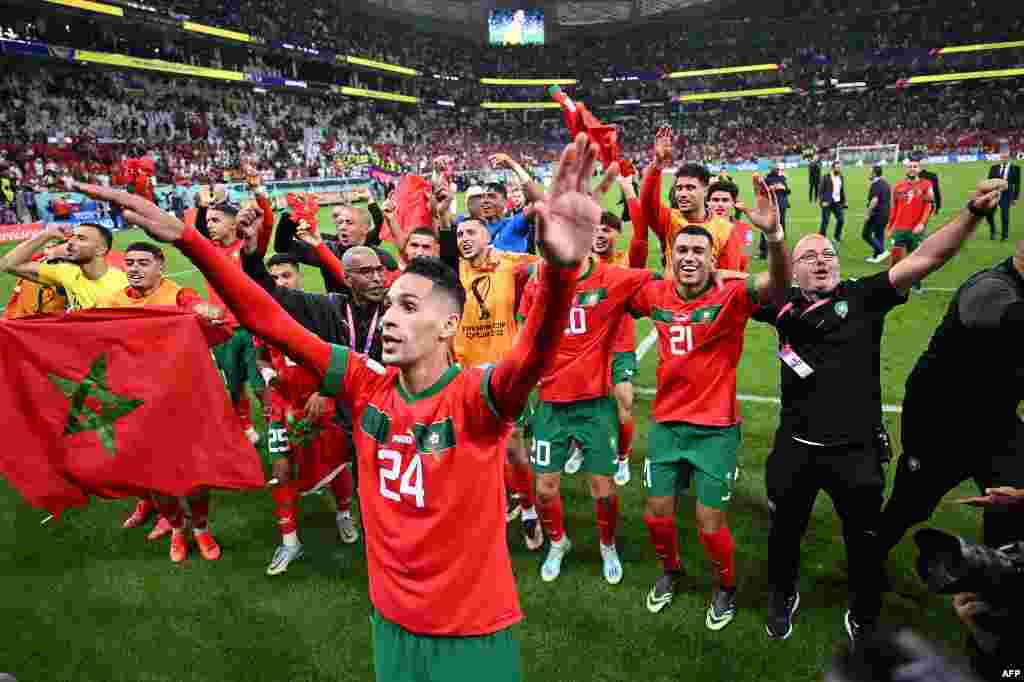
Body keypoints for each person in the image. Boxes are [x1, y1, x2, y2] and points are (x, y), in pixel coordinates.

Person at [73, 131, 614, 682]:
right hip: (391, 620)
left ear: (450, 325)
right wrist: (189, 241)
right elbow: (268, 320)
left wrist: (562, 270)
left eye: (409, 305)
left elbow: (533, 352)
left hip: (470, 629)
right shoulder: (363, 383)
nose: (394, 317)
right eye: (391, 304)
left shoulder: (475, 399)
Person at [752, 179, 1005, 649]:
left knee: (865, 541)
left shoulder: (865, 295)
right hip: (795, 451)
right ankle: (782, 593)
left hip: (857, 453)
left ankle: (864, 605)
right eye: (810, 256)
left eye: (828, 253)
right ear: (794, 268)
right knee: (784, 534)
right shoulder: (780, 307)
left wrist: (970, 212)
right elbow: (766, 281)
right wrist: (775, 238)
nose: (822, 260)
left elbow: (927, 258)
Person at [635, 173, 791, 632]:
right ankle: (671, 571)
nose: (688, 258)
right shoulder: (654, 295)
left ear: (712, 257)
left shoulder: (731, 295)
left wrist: (775, 236)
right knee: (657, 513)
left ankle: (725, 584)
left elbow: (778, 285)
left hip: (715, 428)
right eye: (681, 250)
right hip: (666, 425)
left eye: (698, 251)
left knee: (708, 519)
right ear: (672, 255)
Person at [879, 180, 1024, 556]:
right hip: (942, 422)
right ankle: (869, 558)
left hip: (997, 420)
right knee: (911, 505)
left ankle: (996, 576)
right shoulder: (992, 291)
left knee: (1011, 499)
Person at [519, 236, 649, 586]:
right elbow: (526, 338)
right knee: (544, 489)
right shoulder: (538, 283)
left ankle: (608, 544)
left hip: (594, 406)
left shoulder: (613, 278)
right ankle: (559, 542)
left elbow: (667, 280)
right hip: (549, 405)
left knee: (603, 490)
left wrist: (721, 276)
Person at [101, 241, 226, 562]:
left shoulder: (177, 294)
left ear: (161, 267)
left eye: (143, 263)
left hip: (181, 397)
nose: (134, 269)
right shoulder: (112, 302)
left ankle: (200, 527)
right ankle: (177, 526)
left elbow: (198, 306)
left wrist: (208, 313)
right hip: (136, 400)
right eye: (129, 263)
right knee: (154, 474)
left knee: (195, 472)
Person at [258, 253, 358, 576]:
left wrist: (325, 392)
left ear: (299, 278)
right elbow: (261, 357)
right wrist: (270, 379)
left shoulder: (319, 313)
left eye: (286, 276)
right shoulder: (261, 316)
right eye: (274, 278)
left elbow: (342, 356)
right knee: (281, 467)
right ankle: (290, 543)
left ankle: (343, 513)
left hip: (320, 401)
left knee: (336, 461)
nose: (281, 283)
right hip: (283, 404)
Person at [453, 218, 542, 550]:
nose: (464, 239)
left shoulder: (511, 264)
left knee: (514, 445)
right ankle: (503, 501)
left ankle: (530, 509)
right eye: (460, 234)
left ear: (488, 236)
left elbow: (553, 267)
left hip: (504, 372)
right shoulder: (454, 272)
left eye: (471, 232)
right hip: (466, 372)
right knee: (480, 445)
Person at [640, 127, 744, 270]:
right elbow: (647, 203)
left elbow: (729, 282)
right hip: (671, 292)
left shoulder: (726, 230)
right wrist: (657, 164)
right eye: (679, 188)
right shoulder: (670, 220)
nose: (682, 193)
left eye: (690, 188)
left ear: (705, 189)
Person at [274, 203, 398, 295]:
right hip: (337, 319)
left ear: (365, 228)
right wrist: (289, 217)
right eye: (339, 223)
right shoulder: (329, 249)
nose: (342, 227)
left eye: (349, 223)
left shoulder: (382, 258)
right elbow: (283, 247)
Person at [0, 223, 127, 310]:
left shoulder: (122, 285)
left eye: (81, 239)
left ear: (100, 250)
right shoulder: (66, 272)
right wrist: (46, 235)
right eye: (71, 238)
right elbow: (9, 264)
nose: (70, 242)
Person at [886, 158, 935, 293]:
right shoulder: (898, 186)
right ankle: (891, 285)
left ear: (919, 169)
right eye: (910, 166)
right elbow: (894, 209)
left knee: (915, 259)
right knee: (895, 258)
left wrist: (922, 223)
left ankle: (916, 285)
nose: (912, 168)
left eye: (915, 166)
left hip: (915, 230)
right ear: (906, 169)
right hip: (899, 229)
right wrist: (889, 227)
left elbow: (928, 206)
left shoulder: (926, 185)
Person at [3, 239, 69, 319]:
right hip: (26, 320)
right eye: (49, 247)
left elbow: (9, 265)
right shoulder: (51, 270)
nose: (51, 250)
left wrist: (46, 235)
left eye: (53, 247)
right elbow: (8, 265)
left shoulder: (71, 273)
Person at [706, 180, 756, 271]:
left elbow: (747, 256)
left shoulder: (746, 230)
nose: (720, 204)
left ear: (733, 203)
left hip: (735, 280)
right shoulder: (700, 227)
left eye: (725, 200)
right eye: (715, 200)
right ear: (708, 203)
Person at [987, 153, 1020, 241]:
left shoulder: (1015, 168)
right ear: (1000, 158)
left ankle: (1004, 235)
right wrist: (988, 194)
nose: (1004, 159)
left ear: (1009, 158)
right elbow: (989, 182)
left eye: (1006, 157)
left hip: (1006, 195)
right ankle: (993, 231)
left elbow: (1017, 184)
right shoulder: (994, 168)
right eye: (1002, 157)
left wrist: (1015, 198)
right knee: (989, 214)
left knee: (1005, 215)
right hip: (994, 193)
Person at [863, 166, 891, 264]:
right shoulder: (886, 184)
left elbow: (874, 200)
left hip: (876, 214)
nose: (869, 174)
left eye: (870, 172)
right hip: (886, 213)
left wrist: (868, 213)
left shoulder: (875, 185)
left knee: (865, 234)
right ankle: (877, 256)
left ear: (874, 173)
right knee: (879, 235)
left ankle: (883, 252)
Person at [763, 164, 791, 260]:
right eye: (775, 169)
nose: (776, 170)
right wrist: (771, 189)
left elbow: (788, 191)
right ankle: (765, 250)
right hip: (771, 206)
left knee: (782, 226)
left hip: (782, 205)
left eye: (777, 169)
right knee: (768, 227)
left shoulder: (782, 178)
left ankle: (782, 247)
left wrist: (783, 188)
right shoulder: (766, 179)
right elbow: (763, 192)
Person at [819, 161, 847, 242]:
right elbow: (820, 191)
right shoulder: (826, 177)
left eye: (839, 167)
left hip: (837, 202)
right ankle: (821, 238)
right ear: (833, 168)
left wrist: (844, 201)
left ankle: (837, 236)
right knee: (825, 221)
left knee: (841, 220)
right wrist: (822, 202)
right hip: (827, 203)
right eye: (837, 167)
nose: (839, 169)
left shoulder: (841, 177)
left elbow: (842, 190)